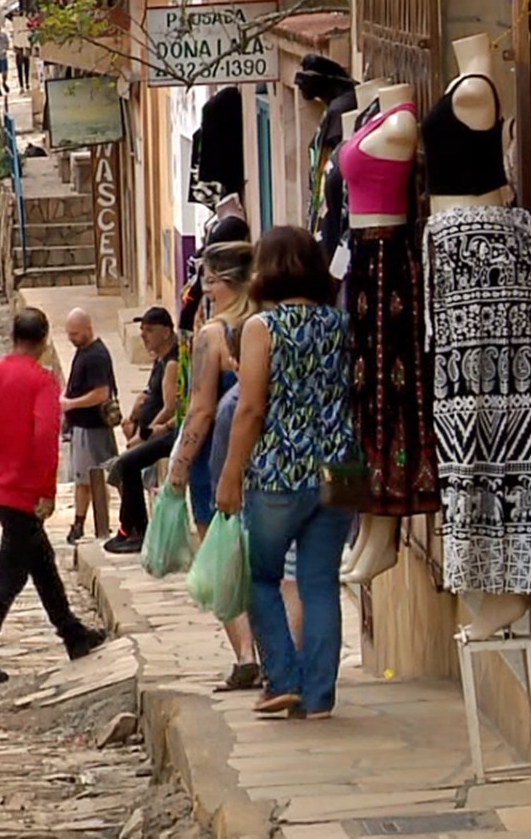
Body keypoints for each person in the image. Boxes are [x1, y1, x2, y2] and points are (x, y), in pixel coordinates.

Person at [215, 227, 353, 720]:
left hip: (279, 471)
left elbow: (251, 407)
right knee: (320, 583)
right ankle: (319, 696)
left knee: (261, 576)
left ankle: (283, 679)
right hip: (338, 471)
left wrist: (230, 474)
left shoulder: (263, 328)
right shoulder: (339, 324)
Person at [0, 307, 108, 685]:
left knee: (42, 562)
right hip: (23, 493)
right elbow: (45, 440)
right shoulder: (42, 382)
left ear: (15, 336)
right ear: (46, 339)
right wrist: (46, 492)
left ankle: (72, 633)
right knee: (9, 577)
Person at [166, 240, 263, 691]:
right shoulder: (267, 324)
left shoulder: (215, 334)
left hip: (216, 461)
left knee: (224, 563)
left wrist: (179, 467)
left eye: (205, 280)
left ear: (218, 283)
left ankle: (246, 654)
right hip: (264, 457)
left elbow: (201, 409)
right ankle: (275, 653)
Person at [103, 307, 180, 554]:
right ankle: (131, 527)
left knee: (127, 463)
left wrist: (143, 434)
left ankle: (134, 529)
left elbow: (170, 408)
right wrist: (134, 416)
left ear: (166, 332)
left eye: (150, 330)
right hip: (149, 429)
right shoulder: (158, 360)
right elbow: (149, 394)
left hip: (167, 433)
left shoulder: (172, 363)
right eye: (142, 331)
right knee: (123, 465)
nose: (144, 336)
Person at [61, 309, 116, 545]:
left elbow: (102, 393)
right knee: (84, 478)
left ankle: (91, 524)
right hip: (82, 426)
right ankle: (80, 523)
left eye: (75, 333)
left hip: (92, 426)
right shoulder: (83, 352)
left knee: (93, 477)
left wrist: (71, 403)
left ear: (87, 328)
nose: (71, 338)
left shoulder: (95, 356)